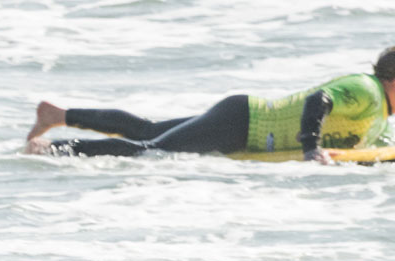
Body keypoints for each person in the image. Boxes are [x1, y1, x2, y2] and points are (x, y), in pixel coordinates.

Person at [25, 47, 395, 160]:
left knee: (149, 131)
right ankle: (50, 150)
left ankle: (57, 115)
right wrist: (311, 148)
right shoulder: (365, 89)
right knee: (150, 151)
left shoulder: (382, 113)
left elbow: (370, 147)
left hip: (241, 120)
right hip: (244, 122)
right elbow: (320, 100)